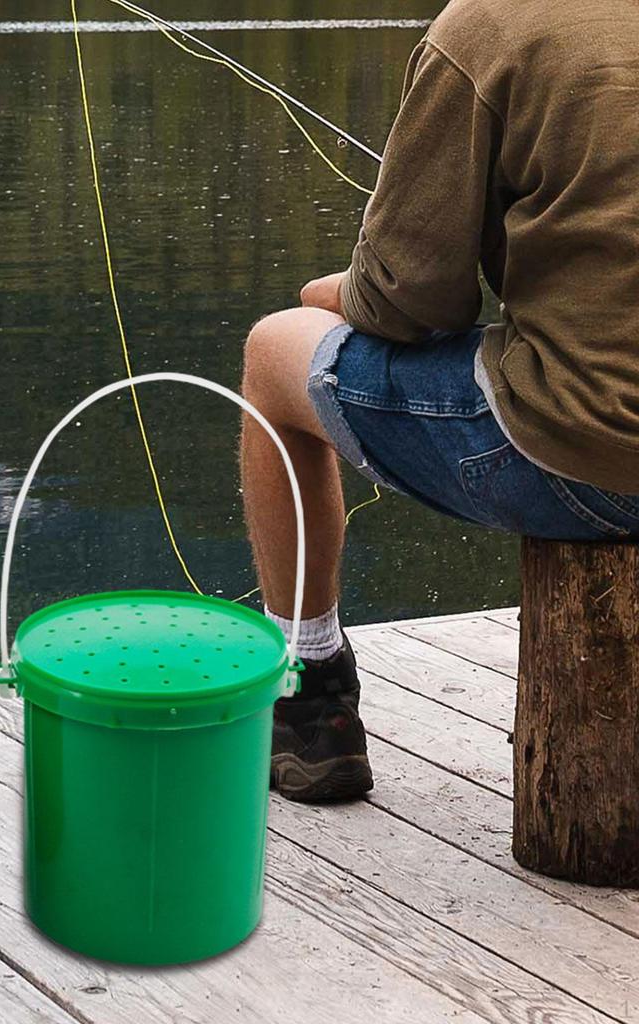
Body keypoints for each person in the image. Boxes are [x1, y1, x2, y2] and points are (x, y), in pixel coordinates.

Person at [240, 0, 639, 802]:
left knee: (273, 351)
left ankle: (309, 701)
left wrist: (331, 291)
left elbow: (410, 300)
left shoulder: (487, 24)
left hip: (593, 461)